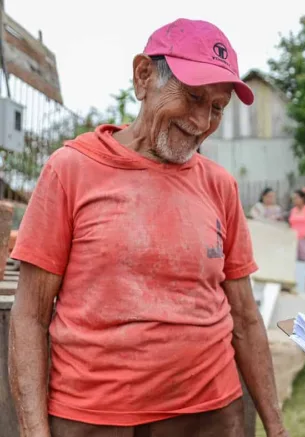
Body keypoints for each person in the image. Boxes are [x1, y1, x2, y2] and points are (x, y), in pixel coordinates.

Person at [9, 19, 287, 437]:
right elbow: (29, 314)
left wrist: (277, 428)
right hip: (94, 418)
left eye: (216, 107)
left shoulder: (220, 186)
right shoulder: (71, 170)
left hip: (211, 415)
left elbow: (246, 319)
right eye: (193, 96)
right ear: (143, 76)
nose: (201, 120)